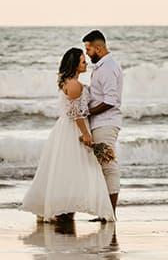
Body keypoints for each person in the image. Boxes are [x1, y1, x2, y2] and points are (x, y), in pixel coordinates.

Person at [21, 47, 115, 222]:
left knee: (68, 169)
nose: (86, 63)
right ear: (75, 64)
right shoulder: (73, 84)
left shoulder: (71, 82)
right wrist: (86, 134)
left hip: (67, 127)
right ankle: (63, 209)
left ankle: (65, 208)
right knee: (74, 168)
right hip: (72, 129)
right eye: (82, 61)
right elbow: (76, 113)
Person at [82, 30, 123, 216]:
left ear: (98, 48)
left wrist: (87, 112)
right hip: (100, 123)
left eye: (88, 49)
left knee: (109, 166)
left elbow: (110, 101)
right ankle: (105, 212)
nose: (87, 53)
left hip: (106, 123)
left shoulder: (107, 68)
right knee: (103, 167)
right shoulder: (101, 67)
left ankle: (110, 214)